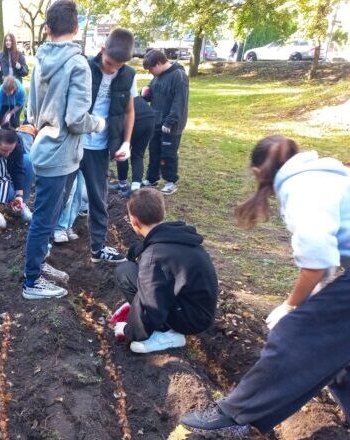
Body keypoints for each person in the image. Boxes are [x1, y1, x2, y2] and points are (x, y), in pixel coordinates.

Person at [180, 136, 350, 435]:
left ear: (259, 172)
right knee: (337, 344)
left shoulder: (303, 189)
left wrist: (292, 305)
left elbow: (317, 261)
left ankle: (234, 413)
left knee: (295, 334)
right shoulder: (323, 176)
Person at [22, 0, 105, 299]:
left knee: (50, 213)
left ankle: (39, 264)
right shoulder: (77, 64)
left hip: (44, 148)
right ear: (76, 27)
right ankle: (32, 282)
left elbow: (31, 112)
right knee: (44, 218)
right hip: (60, 154)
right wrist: (98, 123)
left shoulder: (39, 60)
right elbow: (75, 119)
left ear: (47, 29)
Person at [111, 188, 218, 353]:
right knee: (127, 270)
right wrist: (134, 305)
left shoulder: (155, 255)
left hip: (192, 320)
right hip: (195, 308)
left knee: (124, 272)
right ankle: (165, 326)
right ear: (163, 212)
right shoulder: (175, 237)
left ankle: (166, 333)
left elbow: (151, 305)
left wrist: (128, 330)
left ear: (134, 220)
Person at [81, 27, 137, 265]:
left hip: (100, 147)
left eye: (118, 66)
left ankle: (98, 248)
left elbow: (129, 110)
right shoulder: (83, 67)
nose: (112, 69)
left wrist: (126, 142)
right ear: (102, 49)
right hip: (74, 141)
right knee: (58, 196)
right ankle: (45, 250)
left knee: (98, 198)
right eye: (109, 62)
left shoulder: (128, 75)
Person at [141, 49, 189, 195]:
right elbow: (152, 94)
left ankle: (170, 181)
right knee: (154, 150)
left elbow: (179, 101)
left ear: (160, 63)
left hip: (171, 124)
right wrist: (145, 94)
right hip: (156, 120)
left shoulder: (178, 76)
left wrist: (170, 121)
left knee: (168, 152)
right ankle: (152, 178)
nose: (150, 72)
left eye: (151, 69)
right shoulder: (157, 77)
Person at [111, 96, 155, 196]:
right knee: (138, 155)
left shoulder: (116, 98)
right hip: (150, 119)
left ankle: (122, 185)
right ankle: (135, 189)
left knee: (122, 150)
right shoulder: (130, 94)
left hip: (135, 119)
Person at [52, 171, 85, 243]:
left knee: (79, 193)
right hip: (69, 162)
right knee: (69, 191)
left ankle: (69, 226)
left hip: (84, 160)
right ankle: (59, 227)